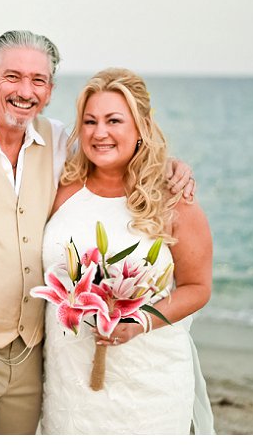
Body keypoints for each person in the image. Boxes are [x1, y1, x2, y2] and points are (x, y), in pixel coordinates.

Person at [0, 31, 195, 434]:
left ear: (49, 92)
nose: (25, 91)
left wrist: (168, 167)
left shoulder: (58, 141)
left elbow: (113, 157)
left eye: (38, 81)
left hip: (31, 352)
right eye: (13, 77)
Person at [38, 68, 214, 434]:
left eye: (113, 120)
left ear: (142, 127)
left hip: (149, 383)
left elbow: (197, 288)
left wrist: (139, 321)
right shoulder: (62, 190)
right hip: (68, 378)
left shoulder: (173, 199)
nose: (99, 133)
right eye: (89, 121)